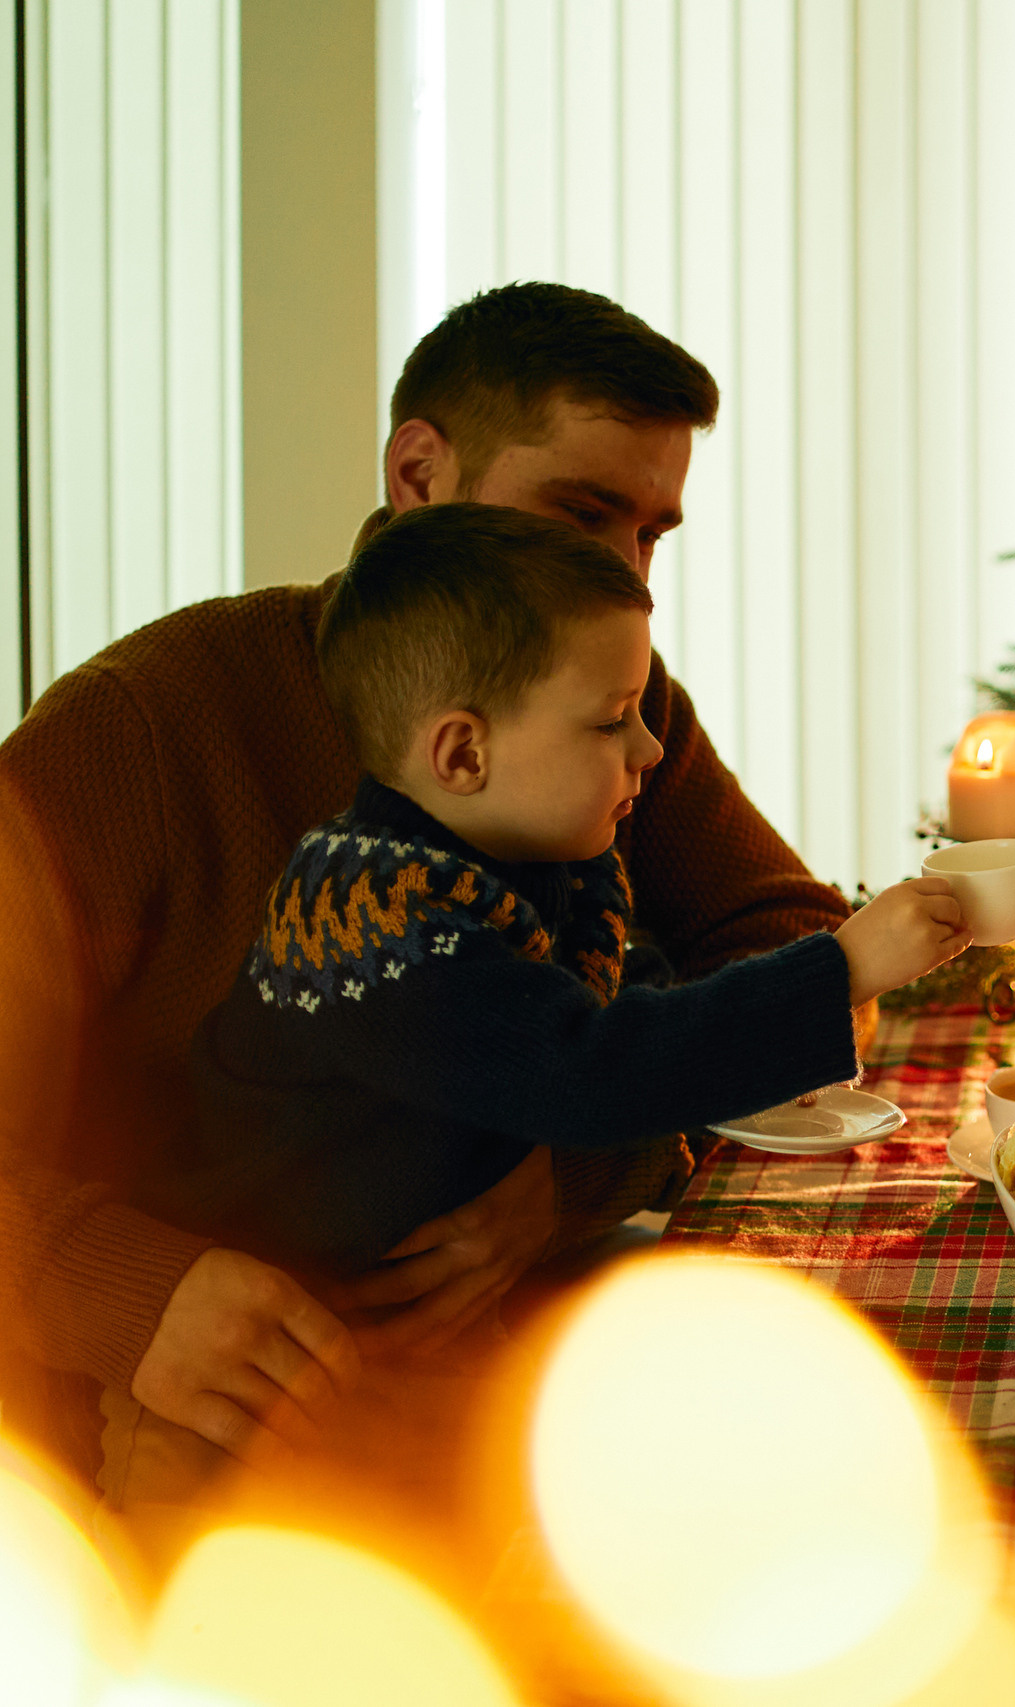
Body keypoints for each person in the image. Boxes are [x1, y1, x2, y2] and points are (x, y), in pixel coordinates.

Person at [0, 283, 856, 1486]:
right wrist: (127, 1294)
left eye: (652, 533)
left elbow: (790, 935)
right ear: (417, 472)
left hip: (513, 1389)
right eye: (582, 512)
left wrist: (563, 1167)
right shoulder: (141, 728)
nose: (631, 579)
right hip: (189, 1423)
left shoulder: (611, 710)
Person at [137, 504, 965, 1281]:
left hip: (450, 1293)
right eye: (612, 721)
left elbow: (600, 992)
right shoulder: (373, 922)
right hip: (297, 1331)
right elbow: (583, 1071)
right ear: (463, 754)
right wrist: (839, 970)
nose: (647, 746)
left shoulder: (522, 850)